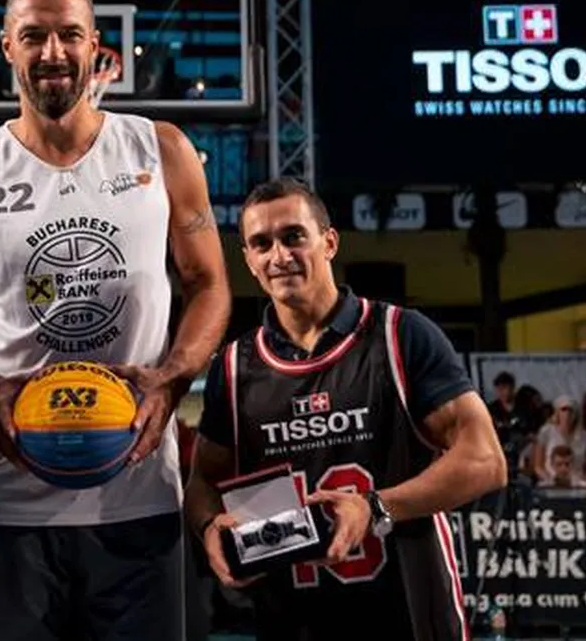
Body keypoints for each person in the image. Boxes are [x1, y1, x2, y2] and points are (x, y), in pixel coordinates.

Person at [0, 0, 231, 641]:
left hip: (136, 489)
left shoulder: (162, 150)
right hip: (2, 492)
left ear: (97, 46)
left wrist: (173, 377)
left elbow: (209, 282)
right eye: (34, 35)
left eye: (69, 34)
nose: (53, 52)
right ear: (8, 46)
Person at [184, 178, 507, 641]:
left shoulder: (400, 335)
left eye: (294, 236)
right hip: (292, 618)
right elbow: (203, 481)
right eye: (262, 244)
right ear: (249, 260)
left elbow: (486, 461)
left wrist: (375, 507)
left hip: (408, 611)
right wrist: (209, 527)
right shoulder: (235, 367)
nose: (279, 256)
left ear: (329, 242)